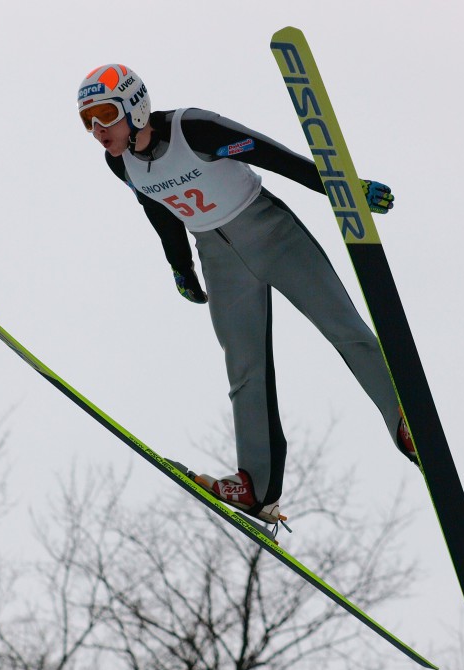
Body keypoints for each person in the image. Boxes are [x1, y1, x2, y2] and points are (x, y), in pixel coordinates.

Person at [77, 63, 415, 524]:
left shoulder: (193, 128)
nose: (97, 131)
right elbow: (157, 210)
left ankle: (403, 420)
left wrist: (342, 191)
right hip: (218, 257)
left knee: (343, 327)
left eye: (104, 115)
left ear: (134, 108)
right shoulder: (120, 163)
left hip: (269, 232)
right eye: (87, 121)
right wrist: (181, 267)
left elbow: (270, 154)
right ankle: (255, 486)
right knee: (244, 369)